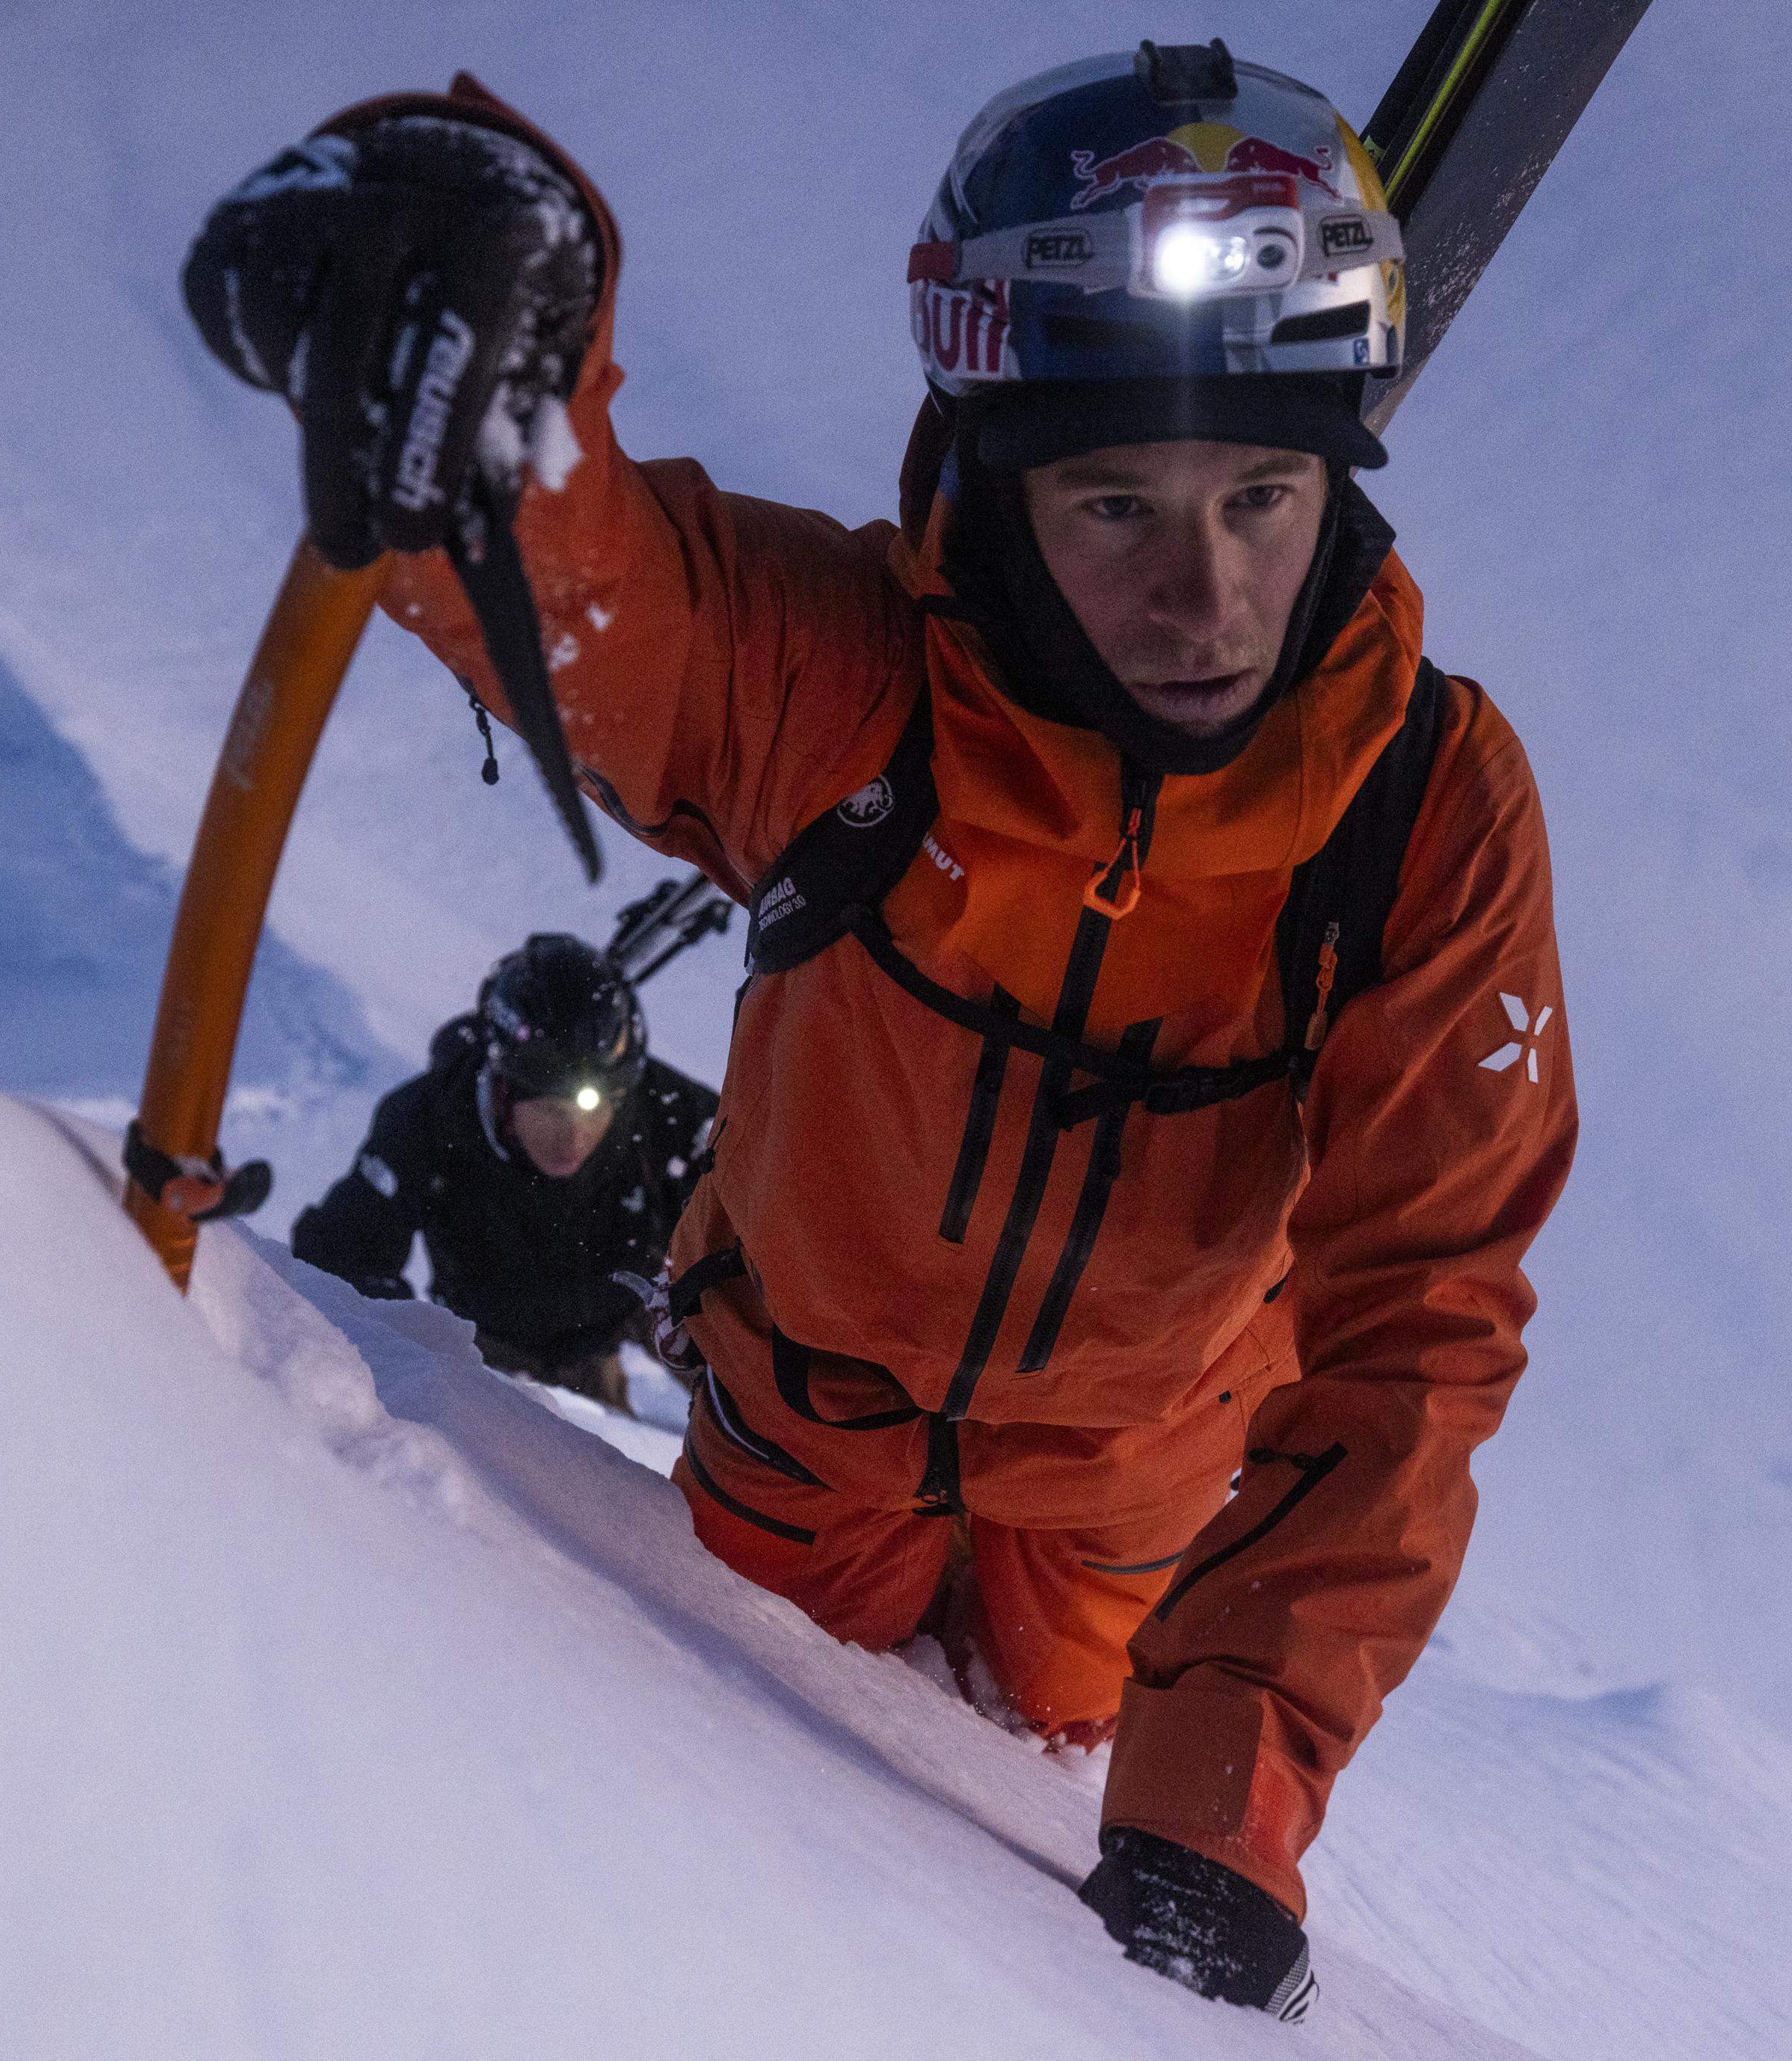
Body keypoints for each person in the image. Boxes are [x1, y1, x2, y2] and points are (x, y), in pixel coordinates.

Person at [189, 41, 1575, 2020]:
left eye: (1263, 495)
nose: (1208, 596)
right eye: (1118, 504)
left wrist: (1220, 1806)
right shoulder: (848, 688)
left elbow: (1422, 1322)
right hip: (794, 1450)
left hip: (1127, 1526)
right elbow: (580, 579)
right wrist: (480, 267)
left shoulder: (1418, 812)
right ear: (1002, 480)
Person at [291, 934, 718, 1411]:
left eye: (601, 1109)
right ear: (505, 1089)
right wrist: (409, 1350)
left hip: (629, 1306)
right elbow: (339, 1257)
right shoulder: (428, 1120)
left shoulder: (664, 1107)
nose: (575, 1137)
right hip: (488, 1345)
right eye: (554, 1110)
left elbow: (758, 1198)